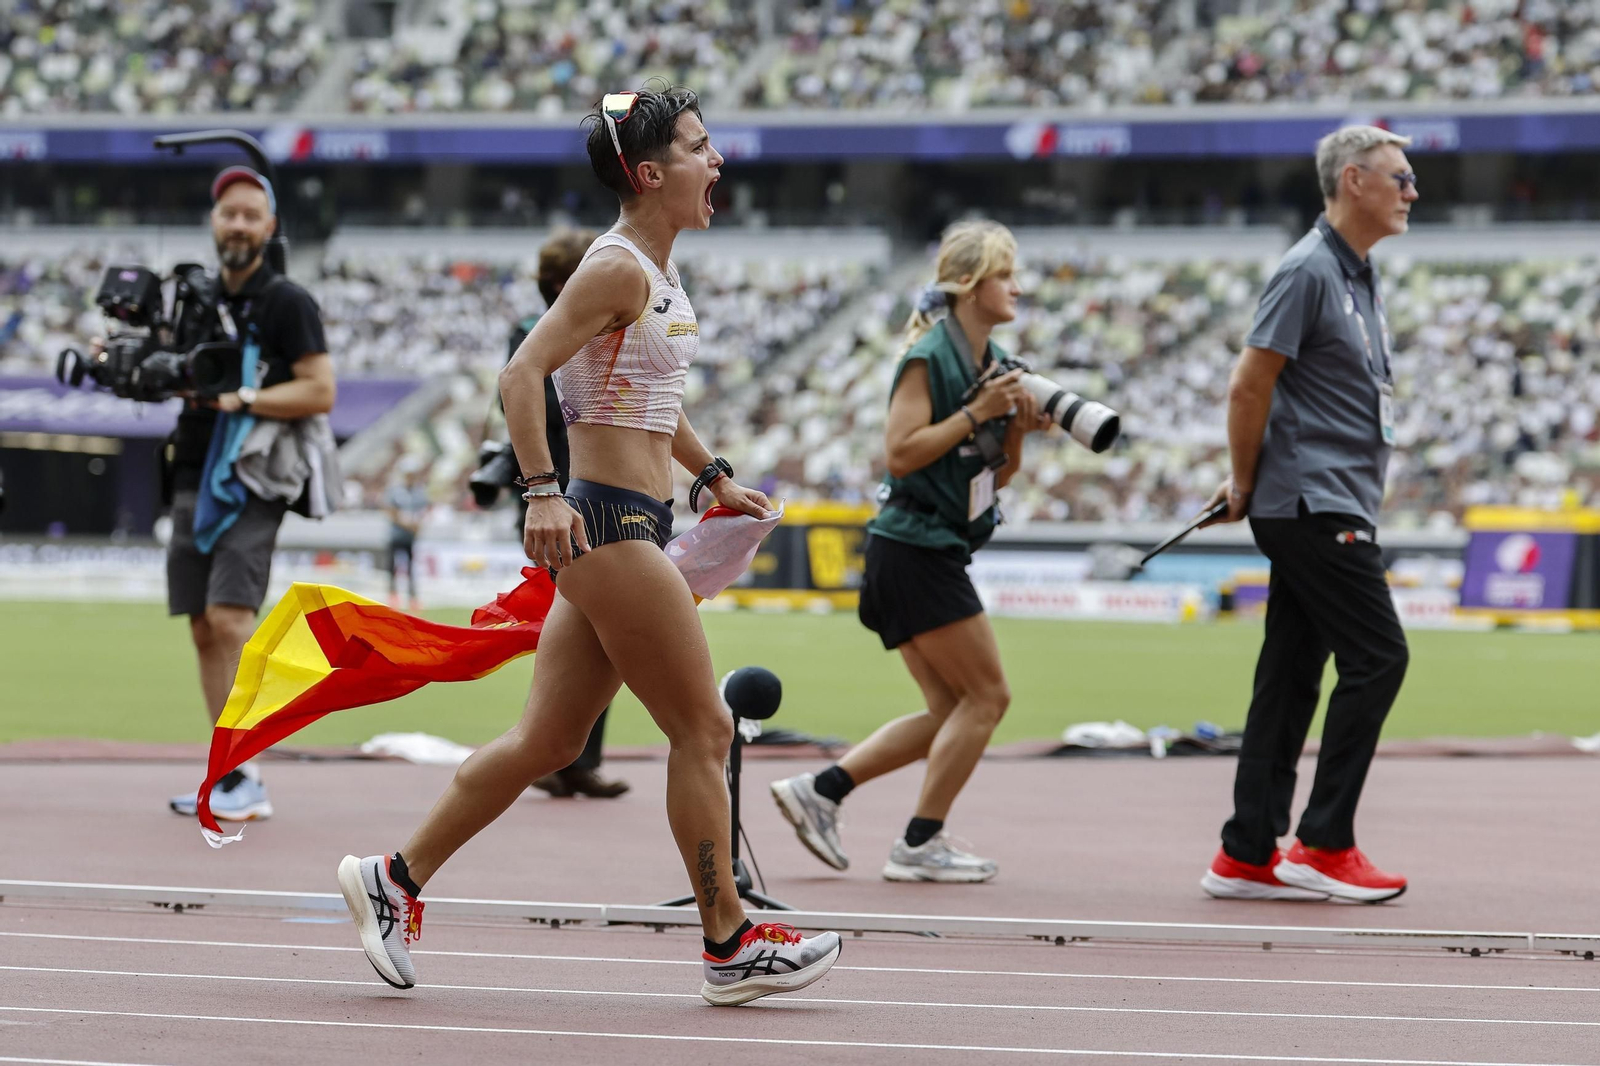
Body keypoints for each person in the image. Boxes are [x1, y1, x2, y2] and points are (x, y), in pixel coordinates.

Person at [336, 84, 840, 1006]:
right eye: (700, 146)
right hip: (604, 522)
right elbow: (520, 370)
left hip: (637, 519)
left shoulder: (658, 269)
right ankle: (729, 942)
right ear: (651, 173)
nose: (717, 159)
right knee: (704, 727)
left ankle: (391, 880)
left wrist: (713, 474)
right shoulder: (616, 267)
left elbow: (655, 400)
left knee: (549, 737)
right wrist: (539, 491)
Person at [770, 220, 1051, 883]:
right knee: (988, 698)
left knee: (950, 710)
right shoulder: (929, 354)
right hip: (915, 544)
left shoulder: (990, 364)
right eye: (1005, 275)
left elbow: (995, 475)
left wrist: (1017, 429)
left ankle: (823, 792)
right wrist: (979, 413)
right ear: (969, 285)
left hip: (923, 546)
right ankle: (919, 844)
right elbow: (900, 453)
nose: (1017, 287)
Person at [1198, 125, 1418, 904]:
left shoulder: (1356, 275)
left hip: (1328, 496)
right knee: (1380, 657)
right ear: (1353, 181)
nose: (1412, 190)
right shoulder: (1307, 270)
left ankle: (1247, 852)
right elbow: (1249, 384)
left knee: (1290, 675)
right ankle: (1323, 844)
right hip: (1312, 500)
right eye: (1400, 176)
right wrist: (1242, 478)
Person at [167, 166, 336, 823]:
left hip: (252, 471)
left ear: (268, 227)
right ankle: (229, 770)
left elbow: (320, 391)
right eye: (226, 214)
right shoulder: (195, 299)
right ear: (214, 223)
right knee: (205, 627)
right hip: (190, 469)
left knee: (232, 618)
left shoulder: (286, 301)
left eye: (248, 215)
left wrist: (246, 398)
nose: (236, 225)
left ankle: (246, 773)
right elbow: (173, 377)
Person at [513, 228, 629, 800]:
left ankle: (565, 754)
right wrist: (543, 488)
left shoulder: (599, 322)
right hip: (566, 499)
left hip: (592, 497)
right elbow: (518, 385)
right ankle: (560, 751)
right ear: (565, 283)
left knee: (595, 639)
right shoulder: (542, 338)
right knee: (596, 637)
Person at [384, 465, 428, 611]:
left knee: (410, 567)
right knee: (393, 566)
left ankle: (412, 597)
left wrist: (417, 525)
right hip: (396, 534)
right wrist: (406, 523)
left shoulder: (419, 492)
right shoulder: (396, 491)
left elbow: (424, 510)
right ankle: (392, 595)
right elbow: (390, 510)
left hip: (410, 537)